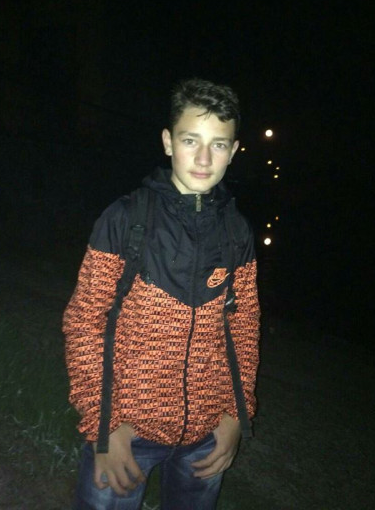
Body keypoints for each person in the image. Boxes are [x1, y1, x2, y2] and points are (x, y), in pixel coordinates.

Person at [63, 78, 260, 510]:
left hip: (206, 439)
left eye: (218, 144)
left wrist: (235, 416)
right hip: (126, 433)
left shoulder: (237, 232)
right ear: (169, 142)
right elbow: (84, 322)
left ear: (233, 150)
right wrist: (104, 427)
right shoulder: (125, 219)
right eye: (191, 140)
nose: (204, 159)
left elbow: (244, 329)